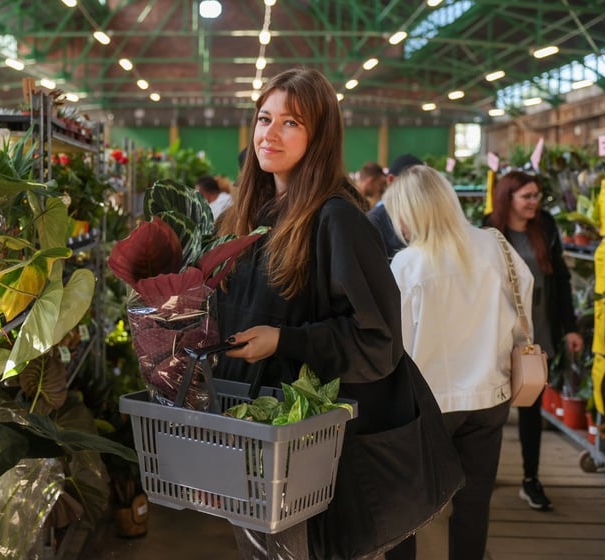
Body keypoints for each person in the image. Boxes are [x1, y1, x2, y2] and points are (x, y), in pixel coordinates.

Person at [214, 67, 461, 560]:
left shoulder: (337, 219)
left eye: (292, 123)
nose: (270, 133)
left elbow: (378, 341)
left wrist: (285, 341)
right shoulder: (252, 216)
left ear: (320, 135)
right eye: (265, 119)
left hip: (320, 455)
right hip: (258, 436)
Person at [384, 165, 535, 560]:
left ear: (412, 211)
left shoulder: (407, 264)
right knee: (474, 503)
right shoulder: (495, 246)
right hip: (490, 395)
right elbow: (524, 307)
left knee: (406, 504)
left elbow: (393, 343)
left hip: (427, 404)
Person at [484, 170, 584, 511]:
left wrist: (569, 327)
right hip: (496, 331)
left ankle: (531, 479)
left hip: (536, 330)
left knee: (530, 405)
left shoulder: (547, 227)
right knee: (491, 409)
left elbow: (561, 278)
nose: (534, 203)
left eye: (537, 196)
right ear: (508, 197)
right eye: (526, 196)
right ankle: (483, 475)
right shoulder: (488, 229)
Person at [367, 153, 423, 260]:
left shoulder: (427, 215)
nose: (418, 189)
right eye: (409, 182)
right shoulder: (375, 220)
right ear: (391, 180)